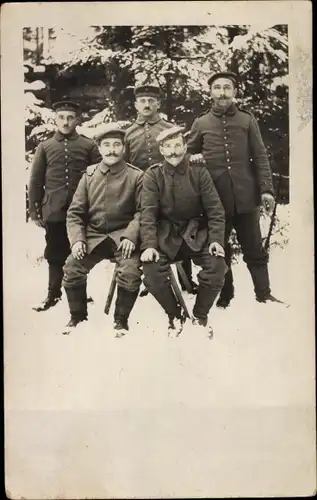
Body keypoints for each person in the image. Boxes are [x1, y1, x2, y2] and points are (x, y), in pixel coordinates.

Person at [187, 71, 279, 307]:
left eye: (227, 87)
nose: (222, 92)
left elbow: (260, 156)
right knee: (220, 250)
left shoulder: (247, 120)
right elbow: (187, 154)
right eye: (217, 88)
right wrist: (195, 161)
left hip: (247, 198)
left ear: (235, 91)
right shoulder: (201, 122)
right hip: (216, 201)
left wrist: (266, 189)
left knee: (255, 249)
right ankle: (225, 295)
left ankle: (264, 294)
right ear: (210, 93)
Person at [140, 126, 227, 338]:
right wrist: (150, 245)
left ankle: (200, 315)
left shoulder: (199, 172)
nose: (173, 152)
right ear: (161, 150)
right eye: (168, 147)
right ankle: (174, 315)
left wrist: (216, 240)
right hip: (167, 237)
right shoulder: (153, 176)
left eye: (177, 145)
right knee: (151, 272)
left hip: (197, 235)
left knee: (217, 266)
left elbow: (215, 210)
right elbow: (148, 214)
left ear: (185, 146)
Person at [62, 123, 143, 337]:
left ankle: (121, 321)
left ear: (124, 148)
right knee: (72, 267)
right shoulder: (89, 176)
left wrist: (131, 236)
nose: (112, 149)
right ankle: (78, 317)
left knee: (130, 272)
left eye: (117, 144)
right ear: (98, 148)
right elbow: (75, 213)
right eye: (106, 145)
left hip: (123, 238)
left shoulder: (136, 176)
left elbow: (143, 212)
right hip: (94, 237)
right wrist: (77, 240)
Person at [28, 100, 101, 311]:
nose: (66, 122)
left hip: (81, 211)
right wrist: (35, 210)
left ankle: (79, 293)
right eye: (61, 117)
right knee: (54, 252)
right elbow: (35, 180)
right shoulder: (46, 146)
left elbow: (97, 177)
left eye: (70, 117)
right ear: (55, 119)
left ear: (77, 120)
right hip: (54, 210)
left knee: (79, 252)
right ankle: (53, 293)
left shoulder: (88, 145)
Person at [125, 83, 197, 294]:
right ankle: (152, 276)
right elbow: (127, 167)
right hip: (142, 192)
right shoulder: (128, 134)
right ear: (136, 105)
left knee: (177, 229)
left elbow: (183, 158)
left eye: (151, 101)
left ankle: (186, 280)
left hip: (171, 190)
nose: (147, 105)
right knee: (148, 229)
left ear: (158, 104)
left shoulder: (169, 130)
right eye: (142, 101)